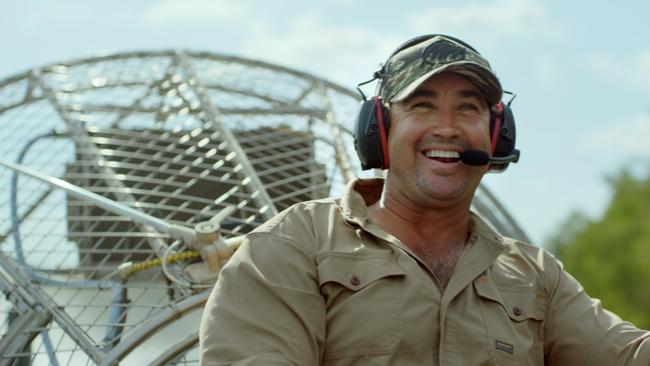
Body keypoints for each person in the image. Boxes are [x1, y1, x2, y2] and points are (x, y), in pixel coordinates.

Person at [199, 34, 650, 365]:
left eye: (468, 108)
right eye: (422, 105)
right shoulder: (294, 246)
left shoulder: (536, 277)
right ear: (379, 129)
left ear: (495, 136)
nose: (448, 127)